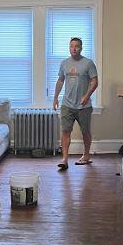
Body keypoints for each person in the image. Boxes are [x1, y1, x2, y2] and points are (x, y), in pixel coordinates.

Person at [52, 37, 98, 171]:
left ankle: (86, 155)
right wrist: (55, 98)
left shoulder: (88, 63)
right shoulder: (64, 63)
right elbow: (60, 81)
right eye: (71, 46)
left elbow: (94, 81)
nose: (74, 48)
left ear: (81, 48)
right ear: (69, 47)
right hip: (67, 104)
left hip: (84, 105)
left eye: (77, 46)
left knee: (85, 132)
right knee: (66, 131)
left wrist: (87, 96)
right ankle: (65, 159)